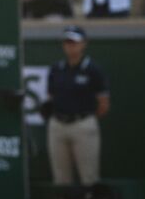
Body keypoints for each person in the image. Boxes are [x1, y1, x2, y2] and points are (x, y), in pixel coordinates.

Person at [43, 25, 109, 187]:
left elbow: (103, 105)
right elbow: (50, 97)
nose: (70, 45)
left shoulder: (93, 70)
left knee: (89, 176)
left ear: (83, 44)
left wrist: (83, 119)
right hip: (58, 125)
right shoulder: (56, 69)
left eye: (74, 42)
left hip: (83, 125)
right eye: (67, 42)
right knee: (61, 179)